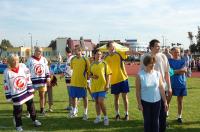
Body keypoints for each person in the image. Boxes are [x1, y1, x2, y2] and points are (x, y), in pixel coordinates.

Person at [140, 39, 172, 132]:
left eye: (159, 46)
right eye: (157, 46)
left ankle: (162, 129)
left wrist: (169, 87)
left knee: (162, 112)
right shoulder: (144, 57)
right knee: (149, 114)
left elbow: (167, 73)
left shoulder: (163, 56)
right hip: (149, 90)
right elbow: (141, 72)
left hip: (162, 88)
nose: (159, 48)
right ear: (151, 47)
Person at [3, 54, 41, 132]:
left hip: (26, 91)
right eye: (13, 60)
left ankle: (34, 120)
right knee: (18, 110)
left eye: (17, 59)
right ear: (10, 61)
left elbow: (28, 78)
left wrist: (30, 89)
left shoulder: (23, 67)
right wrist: (9, 96)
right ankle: (18, 126)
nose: (16, 61)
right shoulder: (6, 72)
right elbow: (6, 85)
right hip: (16, 94)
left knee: (31, 107)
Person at [104, 41, 140, 121]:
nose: (113, 48)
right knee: (116, 98)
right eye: (112, 46)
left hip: (123, 79)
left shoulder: (119, 53)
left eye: (114, 46)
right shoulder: (106, 58)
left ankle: (126, 114)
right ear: (108, 48)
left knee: (124, 97)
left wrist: (138, 53)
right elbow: (105, 71)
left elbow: (129, 52)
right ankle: (117, 114)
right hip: (114, 81)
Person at [136, 55, 168, 132]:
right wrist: (139, 103)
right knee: (147, 122)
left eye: (154, 63)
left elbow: (161, 88)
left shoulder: (157, 74)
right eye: (151, 63)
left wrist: (165, 101)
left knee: (156, 121)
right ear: (146, 64)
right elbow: (138, 91)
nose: (153, 65)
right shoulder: (140, 75)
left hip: (157, 102)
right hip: (145, 102)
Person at [90, 49, 112, 126]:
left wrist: (107, 85)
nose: (99, 56)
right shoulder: (92, 64)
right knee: (96, 102)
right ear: (94, 55)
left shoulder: (104, 63)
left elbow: (108, 74)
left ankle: (106, 118)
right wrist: (93, 76)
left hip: (103, 86)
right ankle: (98, 117)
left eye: (100, 54)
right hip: (94, 86)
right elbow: (89, 75)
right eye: (97, 54)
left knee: (101, 101)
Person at [26, 47, 51, 115]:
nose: (39, 52)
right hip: (32, 82)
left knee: (42, 96)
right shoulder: (30, 60)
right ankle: (29, 111)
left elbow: (46, 69)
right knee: (30, 97)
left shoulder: (44, 59)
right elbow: (26, 71)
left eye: (40, 51)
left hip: (42, 81)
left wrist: (48, 78)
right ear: (35, 51)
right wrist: (27, 80)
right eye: (38, 51)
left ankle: (42, 109)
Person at [68, 45, 90, 120]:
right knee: (73, 97)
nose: (75, 51)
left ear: (80, 51)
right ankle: (74, 111)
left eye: (77, 50)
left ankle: (85, 113)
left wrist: (88, 80)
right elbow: (72, 68)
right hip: (74, 81)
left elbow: (88, 71)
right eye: (75, 50)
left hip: (82, 82)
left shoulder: (85, 59)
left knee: (84, 97)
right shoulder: (73, 59)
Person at [168, 47, 187, 124]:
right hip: (170, 84)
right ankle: (166, 115)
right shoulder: (169, 61)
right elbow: (169, 72)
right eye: (175, 52)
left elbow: (184, 71)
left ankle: (179, 117)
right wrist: (179, 71)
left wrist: (173, 71)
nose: (177, 53)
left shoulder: (183, 61)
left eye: (178, 52)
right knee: (167, 101)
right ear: (171, 53)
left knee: (180, 101)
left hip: (181, 83)